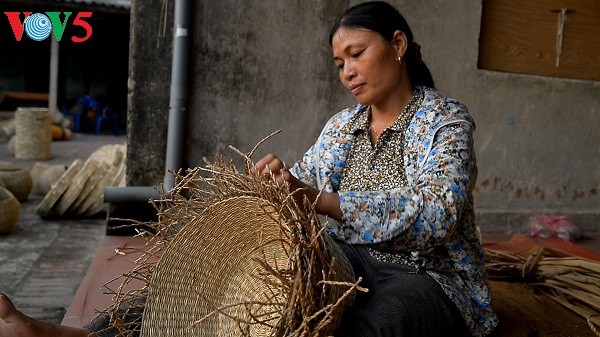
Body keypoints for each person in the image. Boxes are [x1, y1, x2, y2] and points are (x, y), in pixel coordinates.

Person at [0, 1, 498, 336]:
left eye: (357, 54)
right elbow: (302, 183)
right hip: (351, 258)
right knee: (218, 285)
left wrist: (317, 198)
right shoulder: (344, 125)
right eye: (338, 62)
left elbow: (440, 213)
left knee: (369, 322)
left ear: (398, 44)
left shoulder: (443, 120)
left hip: (430, 278)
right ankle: (86, 334)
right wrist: (276, 185)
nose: (346, 70)